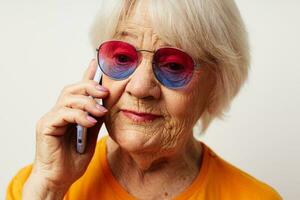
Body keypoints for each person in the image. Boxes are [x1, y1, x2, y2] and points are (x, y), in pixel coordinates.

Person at [7, 0, 282, 199]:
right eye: (123, 58)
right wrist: (49, 188)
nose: (139, 88)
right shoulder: (36, 185)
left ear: (217, 84)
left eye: (174, 66)